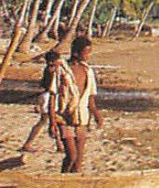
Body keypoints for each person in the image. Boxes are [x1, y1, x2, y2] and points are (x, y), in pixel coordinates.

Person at [49, 35, 104, 173]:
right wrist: (52, 122)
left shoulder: (88, 71)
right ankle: (62, 180)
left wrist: (96, 114)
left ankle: (72, 186)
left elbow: (90, 97)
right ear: (76, 53)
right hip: (64, 118)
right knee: (71, 156)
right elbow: (53, 95)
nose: (88, 57)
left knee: (79, 160)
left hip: (82, 118)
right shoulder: (61, 70)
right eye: (86, 53)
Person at [20, 48, 64, 153]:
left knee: (48, 121)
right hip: (48, 97)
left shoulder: (50, 69)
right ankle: (29, 144)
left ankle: (59, 144)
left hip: (47, 96)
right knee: (49, 120)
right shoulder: (52, 70)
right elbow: (50, 87)